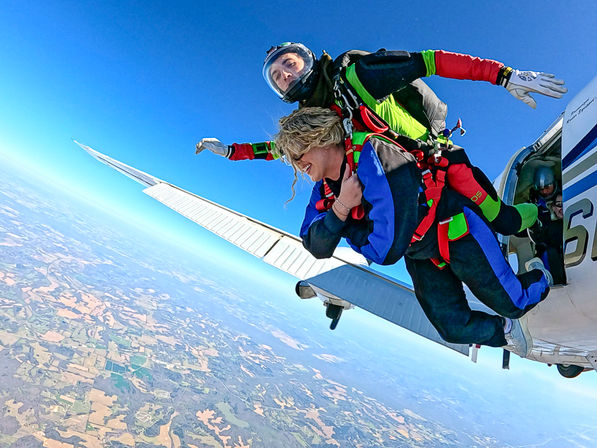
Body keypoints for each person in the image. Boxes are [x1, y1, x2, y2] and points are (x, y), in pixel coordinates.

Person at [196, 43, 567, 238]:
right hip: (398, 184)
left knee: (499, 218)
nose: (285, 76)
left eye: (288, 64)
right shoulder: (308, 121)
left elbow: (428, 61)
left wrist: (503, 75)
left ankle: (538, 214)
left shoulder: (354, 75)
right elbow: (279, 149)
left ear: (306, 59)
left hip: (436, 159)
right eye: (277, 77)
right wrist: (230, 152)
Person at [274, 107, 552, 357]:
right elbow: (315, 245)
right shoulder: (323, 191)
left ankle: (544, 270)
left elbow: (385, 250)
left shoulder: (376, 155)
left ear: (322, 137)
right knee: (452, 327)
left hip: (456, 228)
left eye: (299, 151)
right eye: (290, 158)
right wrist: (344, 206)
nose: (296, 162)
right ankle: (503, 329)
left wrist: (341, 221)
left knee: (514, 302)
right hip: (419, 251)